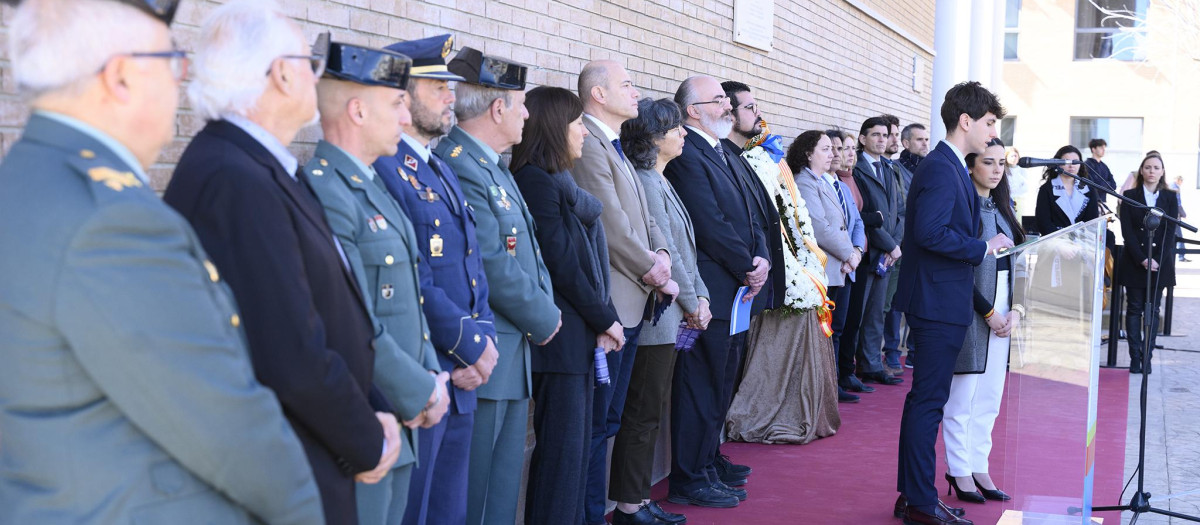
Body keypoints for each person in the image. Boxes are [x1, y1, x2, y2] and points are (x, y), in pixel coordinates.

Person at [0, 1, 323, 522]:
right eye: (173, 58)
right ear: (121, 77)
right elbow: (231, 430)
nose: (182, 79)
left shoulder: (27, 181)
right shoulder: (110, 223)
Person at [164, 2, 402, 522]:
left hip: (313, 451)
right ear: (280, 73)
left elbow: (328, 312)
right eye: (308, 60)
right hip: (288, 471)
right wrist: (367, 438)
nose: (316, 74)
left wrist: (376, 406)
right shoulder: (234, 178)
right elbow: (288, 352)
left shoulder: (260, 165)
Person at [304, 40, 453, 525]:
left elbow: (406, 299)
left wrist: (432, 377)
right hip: (369, 419)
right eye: (395, 104)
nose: (406, 119)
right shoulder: (326, 191)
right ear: (357, 112)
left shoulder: (371, 186)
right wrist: (421, 391)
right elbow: (351, 317)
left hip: (403, 413)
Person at [372, 36, 499, 525]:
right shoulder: (386, 167)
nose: (452, 96)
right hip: (429, 371)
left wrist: (483, 340)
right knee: (415, 509)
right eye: (438, 85)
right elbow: (411, 277)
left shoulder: (437, 166)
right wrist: (467, 347)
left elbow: (472, 265)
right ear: (401, 93)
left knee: (448, 508)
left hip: (466, 370)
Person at [433, 48, 563, 525]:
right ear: (498, 108)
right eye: (522, 103)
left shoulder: (490, 166)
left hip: (511, 352)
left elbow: (522, 253)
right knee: (477, 492)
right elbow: (490, 260)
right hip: (490, 350)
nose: (528, 114)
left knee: (501, 488)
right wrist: (545, 316)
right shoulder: (462, 165)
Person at [893, 81, 1013, 525]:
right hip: (936, 300)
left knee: (924, 402)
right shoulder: (944, 168)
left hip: (938, 297)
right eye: (988, 123)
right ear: (966, 122)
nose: (991, 131)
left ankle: (913, 495)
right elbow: (928, 232)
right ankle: (922, 503)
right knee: (929, 403)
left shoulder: (947, 165)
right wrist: (982, 247)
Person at [510, 85, 625, 525]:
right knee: (561, 459)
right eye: (577, 124)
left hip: (574, 341)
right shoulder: (536, 183)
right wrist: (606, 318)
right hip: (558, 344)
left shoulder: (554, 181)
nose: (583, 133)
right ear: (556, 129)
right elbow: (561, 263)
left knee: (573, 455)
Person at [572, 60, 674, 525]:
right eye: (627, 85)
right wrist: (653, 269)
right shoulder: (589, 145)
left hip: (635, 302)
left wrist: (659, 252)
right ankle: (592, 514)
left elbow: (642, 215)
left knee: (610, 422)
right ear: (597, 94)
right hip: (614, 304)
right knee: (596, 427)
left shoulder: (612, 145)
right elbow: (610, 224)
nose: (636, 93)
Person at [663, 75, 768, 509]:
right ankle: (690, 476)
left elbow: (752, 211)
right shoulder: (688, 155)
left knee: (722, 383)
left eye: (727, 101)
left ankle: (708, 459)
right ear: (692, 111)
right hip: (713, 289)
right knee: (699, 385)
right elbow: (708, 223)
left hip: (738, 290)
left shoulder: (723, 151)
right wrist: (747, 264)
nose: (728, 106)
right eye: (719, 100)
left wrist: (760, 256)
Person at [611, 97, 711, 525]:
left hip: (672, 313)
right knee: (642, 413)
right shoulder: (647, 183)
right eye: (675, 128)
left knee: (649, 412)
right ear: (653, 138)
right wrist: (694, 302)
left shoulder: (659, 178)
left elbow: (686, 251)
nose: (683, 133)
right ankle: (629, 506)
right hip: (655, 317)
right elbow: (666, 255)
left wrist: (699, 297)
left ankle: (634, 499)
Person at [724, 122, 844, 445]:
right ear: (807, 153)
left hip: (819, 266)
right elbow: (809, 224)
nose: (833, 153)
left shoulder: (821, 180)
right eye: (826, 148)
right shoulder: (791, 176)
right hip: (781, 272)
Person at [942, 138, 1024, 505]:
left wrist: (1016, 310)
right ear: (971, 165)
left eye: (1001, 164)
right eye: (988, 162)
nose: (995, 170)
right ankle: (958, 469)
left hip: (1006, 303)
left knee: (990, 396)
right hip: (972, 305)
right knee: (963, 395)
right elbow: (959, 268)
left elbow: (1021, 258)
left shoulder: (1004, 207)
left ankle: (979, 465)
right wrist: (989, 312)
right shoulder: (963, 206)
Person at [841, 116, 904, 391]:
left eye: (885, 135)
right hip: (868, 250)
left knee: (877, 312)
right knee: (857, 314)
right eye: (876, 135)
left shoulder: (889, 168)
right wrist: (889, 244)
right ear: (863, 139)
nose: (882, 139)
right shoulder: (856, 168)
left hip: (888, 252)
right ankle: (849, 370)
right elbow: (864, 216)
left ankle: (871, 365)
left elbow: (899, 211)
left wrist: (895, 246)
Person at [1120, 154, 1179, 374]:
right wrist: (1142, 258)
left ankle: (1148, 357)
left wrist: (1156, 259)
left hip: (1160, 263)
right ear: (1141, 170)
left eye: (1156, 167)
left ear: (1162, 171)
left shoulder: (1171, 198)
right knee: (1134, 309)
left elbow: (1170, 232)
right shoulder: (1129, 196)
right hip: (1135, 262)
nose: (1152, 171)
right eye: (1148, 167)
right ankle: (1135, 357)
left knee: (1153, 311)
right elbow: (1127, 231)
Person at [825, 128, 870, 402]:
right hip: (831, 268)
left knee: (841, 327)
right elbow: (823, 229)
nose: (837, 154)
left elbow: (858, 223)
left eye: (840, 149)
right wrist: (848, 256)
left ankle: (840, 377)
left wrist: (856, 252)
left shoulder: (841, 186)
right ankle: (829, 383)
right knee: (829, 330)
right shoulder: (811, 183)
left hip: (848, 267)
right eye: (831, 148)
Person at [881, 114, 914, 377]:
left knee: (895, 303)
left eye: (892, 134)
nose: (892, 140)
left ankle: (890, 353)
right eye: (890, 134)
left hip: (902, 245)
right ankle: (886, 354)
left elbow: (902, 209)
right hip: (884, 247)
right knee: (883, 307)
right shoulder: (882, 167)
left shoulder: (894, 168)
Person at [1034, 145, 1100, 235]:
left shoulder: (1089, 189)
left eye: (1075, 161)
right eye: (1067, 161)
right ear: (1058, 163)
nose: (1071, 165)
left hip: (1082, 242)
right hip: (1055, 243)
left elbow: (1092, 221)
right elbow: (1043, 222)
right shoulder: (1046, 189)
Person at [1170, 175, 1190, 262]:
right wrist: (1183, 214)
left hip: (1170, 217)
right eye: (1181, 181)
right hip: (1175, 217)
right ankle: (1181, 256)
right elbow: (1177, 203)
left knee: (1172, 236)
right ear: (1178, 180)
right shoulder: (1175, 188)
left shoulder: (1169, 186)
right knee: (1179, 237)